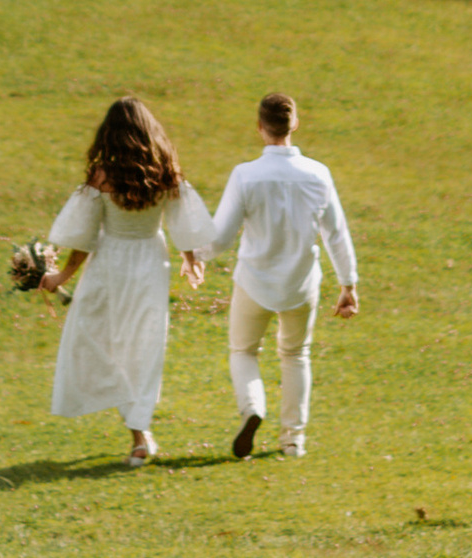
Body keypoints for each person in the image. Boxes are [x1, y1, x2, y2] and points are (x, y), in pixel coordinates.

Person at [42, 98, 212, 465]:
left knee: (92, 339)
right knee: (142, 345)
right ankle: (139, 428)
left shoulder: (102, 176)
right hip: (151, 261)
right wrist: (190, 260)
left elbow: (83, 239)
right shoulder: (165, 170)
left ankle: (138, 432)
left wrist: (60, 276)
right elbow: (183, 223)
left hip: (110, 263)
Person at [208, 93, 358, 459]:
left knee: (243, 350)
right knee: (295, 355)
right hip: (300, 282)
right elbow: (336, 233)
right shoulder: (318, 174)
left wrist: (195, 254)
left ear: (259, 128)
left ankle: (253, 407)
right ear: (295, 125)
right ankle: (292, 440)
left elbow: (220, 237)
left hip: (254, 281)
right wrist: (348, 285)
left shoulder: (246, 175)